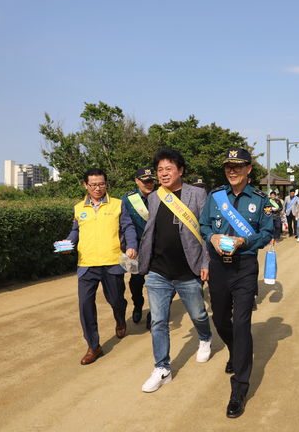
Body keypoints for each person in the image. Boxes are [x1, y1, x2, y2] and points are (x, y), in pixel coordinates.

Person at [200, 148, 274, 418]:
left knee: (242, 324)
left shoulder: (261, 200)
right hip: (219, 267)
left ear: (248, 169)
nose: (232, 171)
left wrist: (245, 241)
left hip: (244, 267)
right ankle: (234, 350)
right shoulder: (215, 196)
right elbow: (203, 225)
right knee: (220, 319)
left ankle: (239, 388)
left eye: (238, 166)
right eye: (228, 167)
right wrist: (213, 239)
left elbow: (267, 231)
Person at [137, 148, 213, 393]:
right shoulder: (154, 196)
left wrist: (205, 264)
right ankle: (162, 368)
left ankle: (204, 337)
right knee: (159, 321)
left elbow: (206, 231)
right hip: (159, 271)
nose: (163, 173)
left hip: (188, 270)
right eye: (160, 170)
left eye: (168, 168)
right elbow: (151, 231)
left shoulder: (198, 194)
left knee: (199, 314)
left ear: (180, 170)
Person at [62, 168, 138, 365]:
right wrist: (68, 243)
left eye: (101, 184)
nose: (97, 188)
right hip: (86, 264)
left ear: (106, 184)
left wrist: (131, 246)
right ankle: (93, 346)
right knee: (85, 306)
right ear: (85, 186)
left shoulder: (118, 205)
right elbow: (75, 231)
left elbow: (128, 227)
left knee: (116, 300)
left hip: (113, 262)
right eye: (93, 185)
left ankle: (120, 318)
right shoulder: (79, 208)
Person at [122, 167, 157, 328]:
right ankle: (138, 305)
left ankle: (154, 314)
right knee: (135, 283)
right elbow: (125, 224)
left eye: (151, 180)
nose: (149, 184)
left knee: (158, 283)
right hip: (135, 248)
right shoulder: (128, 200)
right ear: (137, 181)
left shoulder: (162, 196)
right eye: (145, 181)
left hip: (157, 248)